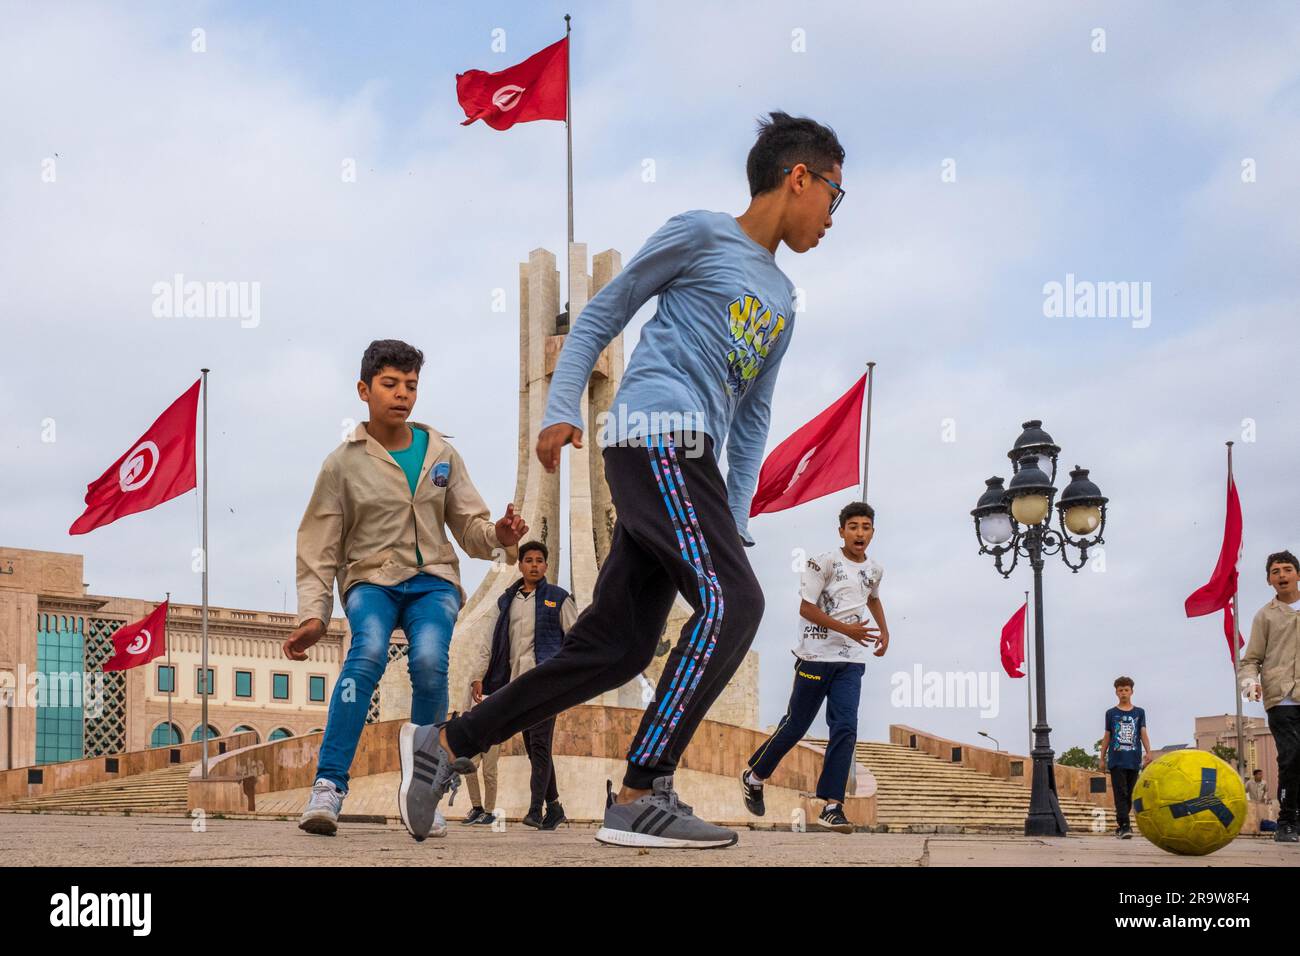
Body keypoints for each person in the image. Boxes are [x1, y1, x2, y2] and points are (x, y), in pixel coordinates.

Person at [395, 111, 846, 848]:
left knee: (617, 647)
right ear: (799, 177)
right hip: (652, 440)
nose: (834, 215)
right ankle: (639, 792)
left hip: (693, 464)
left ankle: (446, 744)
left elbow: (754, 414)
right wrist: (561, 403)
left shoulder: (784, 303)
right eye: (835, 193)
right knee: (734, 601)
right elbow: (609, 306)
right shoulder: (703, 233)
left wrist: (731, 519)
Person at [287, 339, 527, 837]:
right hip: (370, 580)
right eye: (390, 384)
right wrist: (314, 614)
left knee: (428, 661)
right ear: (364, 389)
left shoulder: (441, 452)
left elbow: (469, 524)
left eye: (411, 386)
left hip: (432, 582)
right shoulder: (343, 463)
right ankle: (328, 787)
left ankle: (425, 789)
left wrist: (499, 537)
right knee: (368, 651)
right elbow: (318, 545)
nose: (402, 395)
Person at [740, 501, 888, 833]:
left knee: (846, 727)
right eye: (853, 527)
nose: (859, 533)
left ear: (872, 533)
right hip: (815, 657)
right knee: (795, 726)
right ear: (842, 532)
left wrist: (885, 631)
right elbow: (807, 609)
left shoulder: (875, 569)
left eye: (865, 527)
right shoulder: (821, 563)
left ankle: (832, 806)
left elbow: (874, 598)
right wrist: (847, 628)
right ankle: (755, 776)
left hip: (850, 661)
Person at [466, 540, 578, 830]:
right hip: (516, 685)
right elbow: (492, 641)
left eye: (540, 560)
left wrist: (566, 678)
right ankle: (555, 808)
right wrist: (480, 675)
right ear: (520, 564)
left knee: (539, 744)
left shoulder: (559, 598)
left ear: (546, 565)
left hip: (545, 684)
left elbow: (576, 638)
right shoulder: (507, 601)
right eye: (529, 560)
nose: (534, 565)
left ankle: (535, 810)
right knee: (533, 747)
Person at [1241, 550, 1300, 843]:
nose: (1282, 575)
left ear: (1298, 574)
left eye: (1287, 569)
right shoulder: (1265, 616)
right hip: (1283, 698)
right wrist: (1250, 682)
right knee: (1291, 756)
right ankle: (1287, 821)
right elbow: (1250, 659)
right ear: (1268, 580)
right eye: (1275, 571)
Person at [1099, 676, 1151, 839]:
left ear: (1131, 692)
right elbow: (1107, 735)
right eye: (1120, 690)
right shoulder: (1111, 713)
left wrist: (1149, 752)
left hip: (1134, 759)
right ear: (1116, 692)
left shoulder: (1139, 712)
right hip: (1116, 759)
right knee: (1120, 793)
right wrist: (1102, 757)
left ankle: (1121, 824)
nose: (1123, 693)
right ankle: (1125, 826)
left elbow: (1143, 733)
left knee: (1130, 794)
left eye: (1126, 690)